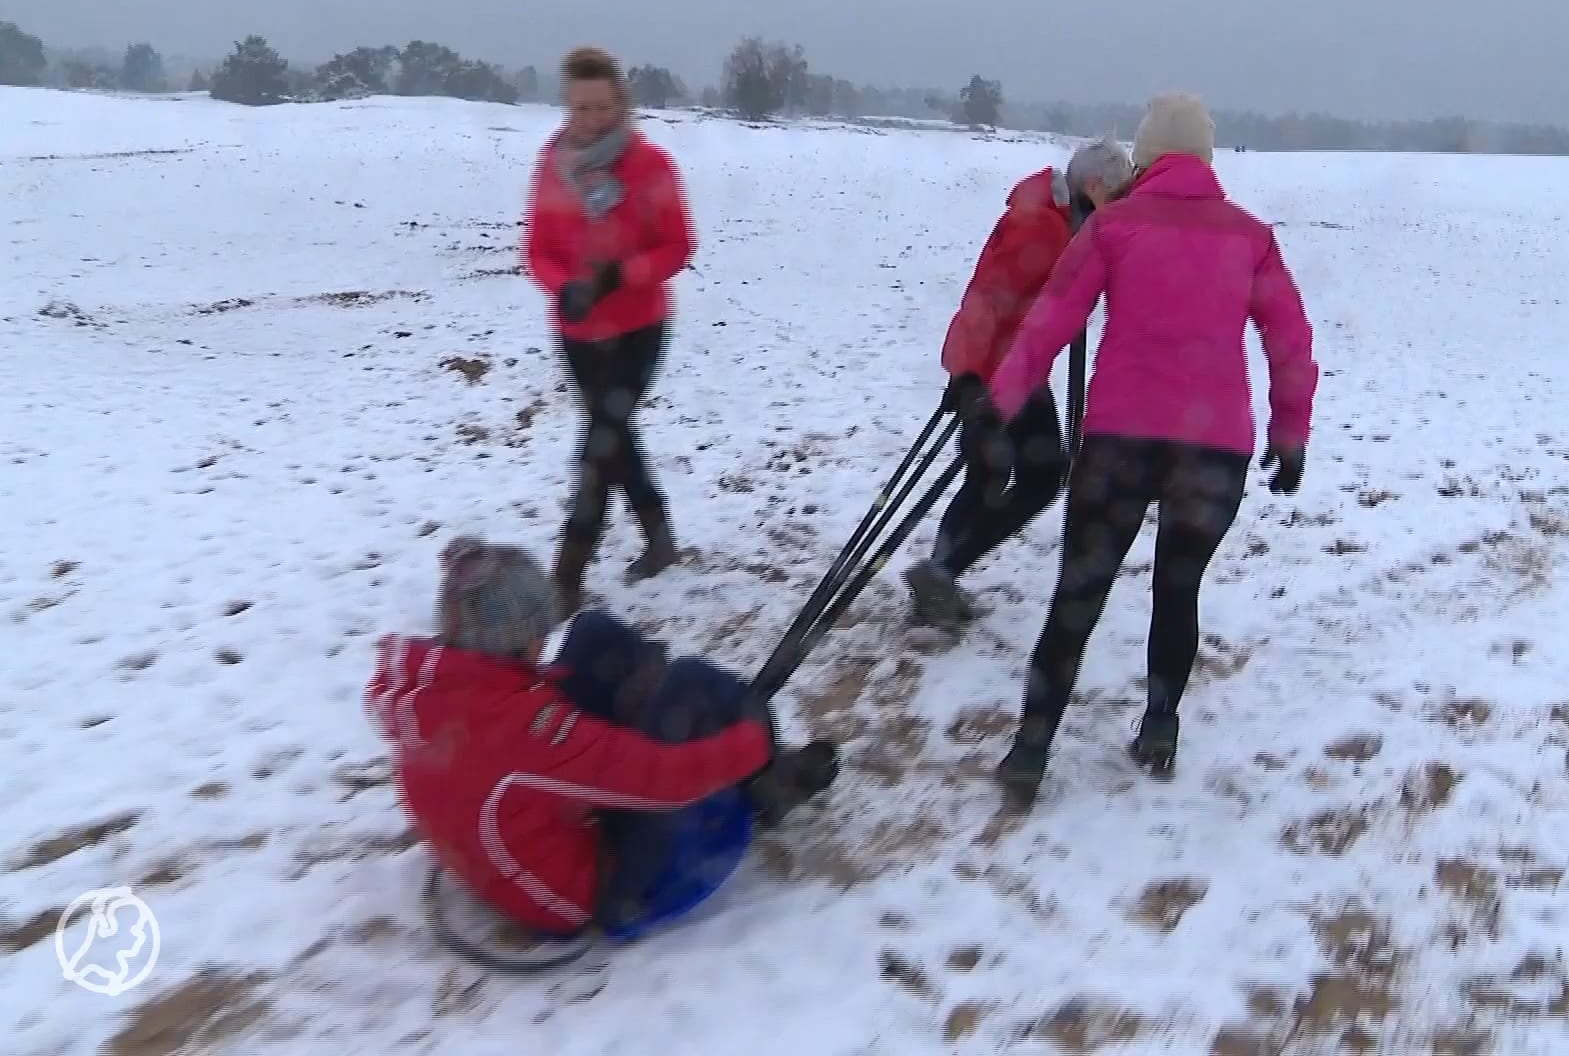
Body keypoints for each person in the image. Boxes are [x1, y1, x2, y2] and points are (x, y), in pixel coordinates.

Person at [976, 93, 1319, 806]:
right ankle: (1160, 724)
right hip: (1213, 450)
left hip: (1121, 446)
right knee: (1178, 588)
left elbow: (1047, 324)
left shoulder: (1116, 227)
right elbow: (1290, 340)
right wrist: (1291, 432)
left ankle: (1031, 751)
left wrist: (999, 404)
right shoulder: (1249, 237)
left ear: (1147, 158)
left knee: (1079, 592)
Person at [366, 535, 839, 937]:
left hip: (524, 836)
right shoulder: (522, 728)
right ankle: (769, 782)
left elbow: (520, 743)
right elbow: (661, 783)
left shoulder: (438, 688)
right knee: (694, 682)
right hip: (587, 890)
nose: (543, 640)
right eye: (537, 631)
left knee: (593, 632)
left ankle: (657, 718)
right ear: (513, 636)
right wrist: (748, 744)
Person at [901, 140, 1137, 632]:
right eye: (1115, 195)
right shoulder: (1037, 225)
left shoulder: (1066, 221)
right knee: (1014, 474)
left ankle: (941, 574)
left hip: (1019, 370)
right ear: (1093, 187)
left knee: (1013, 475)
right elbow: (986, 297)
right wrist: (967, 378)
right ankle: (940, 574)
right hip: (998, 371)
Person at [522, 46, 696, 617]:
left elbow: (678, 245)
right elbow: (538, 251)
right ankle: (658, 534)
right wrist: (563, 286)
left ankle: (567, 576)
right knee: (612, 435)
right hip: (577, 332)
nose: (589, 118)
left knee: (600, 443)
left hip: (638, 329)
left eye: (600, 106)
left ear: (619, 103)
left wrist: (622, 275)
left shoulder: (649, 165)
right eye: (579, 107)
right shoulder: (552, 167)